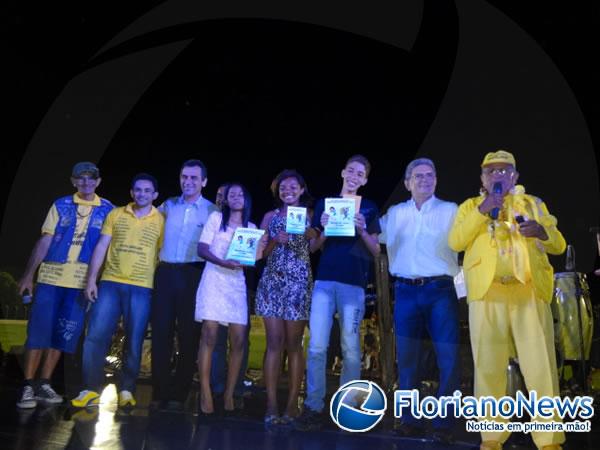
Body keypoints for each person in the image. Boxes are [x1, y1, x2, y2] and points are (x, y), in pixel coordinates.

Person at [448, 150, 566, 450]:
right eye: (491, 171)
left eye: (504, 171)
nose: (497, 175)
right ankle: (491, 436)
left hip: (527, 292)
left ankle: (549, 439)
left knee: (540, 367)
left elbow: (559, 243)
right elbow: (455, 241)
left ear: (515, 176)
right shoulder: (470, 206)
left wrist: (541, 233)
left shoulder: (533, 203)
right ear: (482, 178)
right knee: (487, 367)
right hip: (487, 293)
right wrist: (484, 209)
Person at [15, 162, 113, 409]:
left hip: (79, 284)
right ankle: (27, 385)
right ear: (73, 181)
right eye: (81, 178)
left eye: (91, 179)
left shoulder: (108, 209)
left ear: (98, 182)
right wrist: (29, 275)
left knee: (63, 335)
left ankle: (44, 384)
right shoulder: (60, 205)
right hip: (50, 278)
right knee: (38, 332)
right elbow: (45, 240)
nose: (86, 183)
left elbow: (106, 248)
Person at [295, 155, 381, 430]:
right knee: (317, 345)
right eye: (351, 170)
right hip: (324, 282)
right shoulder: (325, 204)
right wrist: (325, 229)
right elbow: (313, 248)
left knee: (351, 348)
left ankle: (348, 407)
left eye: (361, 173)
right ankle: (313, 405)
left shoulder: (368, 207)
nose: (355, 176)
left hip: (354, 284)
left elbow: (377, 250)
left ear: (365, 180)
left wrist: (363, 230)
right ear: (343, 172)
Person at [379, 158, 460, 443]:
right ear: (407, 183)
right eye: (418, 176)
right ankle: (409, 420)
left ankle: (444, 424)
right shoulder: (396, 213)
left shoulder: (452, 210)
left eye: (430, 175)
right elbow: (374, 237)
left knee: (448, 358)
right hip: (405, 291)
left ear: (436, 180)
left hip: (440, 289)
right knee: (408, 359)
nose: (425, 179)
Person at [71, 173, 164, 408]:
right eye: (138, 190)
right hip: (110, 283)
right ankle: (90, 389)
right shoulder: (115, 214)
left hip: (142, 287)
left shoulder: (161, 220)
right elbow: (102, 246)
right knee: (95, 336)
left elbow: (161, 255)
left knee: (134, 340)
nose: (142, 194)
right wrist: (92, 279)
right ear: (132, 193)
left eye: (147, 190)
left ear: (155, 195)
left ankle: (127, 389)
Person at [150, 160, 218, 411]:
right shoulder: (167, 206)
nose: (188, 182)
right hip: (165, 273)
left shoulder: (212, 210)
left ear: (204, 182)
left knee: (189, 335)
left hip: (193, 274)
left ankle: (180, 393)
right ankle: (160, 390)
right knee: (161, 333)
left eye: (193, 178)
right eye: (184, 177)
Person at [255, 169, 313, 424]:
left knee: (295, 343)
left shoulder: (310, 216)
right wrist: (275, 241)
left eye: (292, 186)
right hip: (272, 282)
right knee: (274, 342)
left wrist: (315, 234)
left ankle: (291, 404)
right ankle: (270, 404)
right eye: (282, 187)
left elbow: (313, 249)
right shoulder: (269, 216)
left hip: (298, 283)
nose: (287, 190)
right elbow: (260, 253)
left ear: (301, 190)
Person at [195, 183, 259, 415]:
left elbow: (251, 260)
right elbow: (201, 249)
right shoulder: (215, 219)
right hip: (214, 279)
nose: (236, 197)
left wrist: (256, 254)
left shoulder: (251, 227)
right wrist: (223, 262)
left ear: (247, 199)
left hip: (236, 284)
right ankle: (205, 390)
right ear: (226, 199)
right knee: (210, 335)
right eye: (232, 194)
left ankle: (230, 392)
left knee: (239, 339)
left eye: (241, 194)